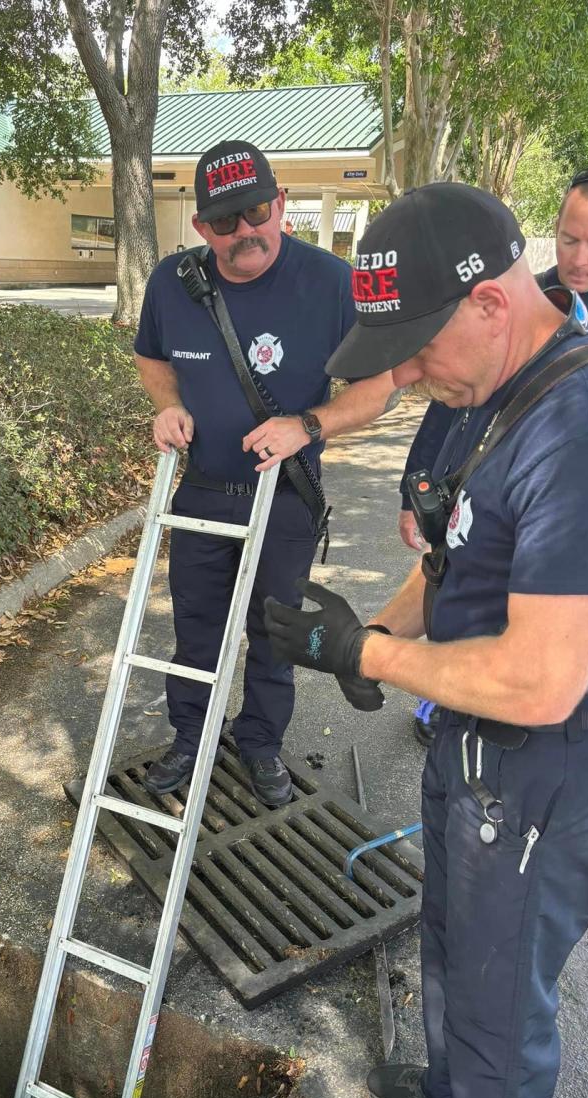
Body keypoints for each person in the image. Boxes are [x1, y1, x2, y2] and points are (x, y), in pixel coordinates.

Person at [265, 183, 588, 1098]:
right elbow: (459, 547)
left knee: (498, 995)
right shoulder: (499, 387)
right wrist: (367, 627)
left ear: (488, 300)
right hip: (478, 747)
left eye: (415, 344)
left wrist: (370, 658)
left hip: (553, 759)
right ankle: (447, 1085)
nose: (408, 373)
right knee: (447, 924)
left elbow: (541, 679)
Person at [133, 139, 397, 805]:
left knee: (274, 631)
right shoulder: (173, 282)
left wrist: (306, 426)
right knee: (196, 627)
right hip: (201, 490)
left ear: (281, 203)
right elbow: (153, 360)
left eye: (256, 212)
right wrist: (168, 408)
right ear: (202, 228)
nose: (244, 232)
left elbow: (377, 388)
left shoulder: (333, 283)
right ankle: (191, 741)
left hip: (287, 498)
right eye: (225, 222)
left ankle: (260, 745)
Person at [400, 165, 588, 747]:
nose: (579, 257)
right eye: (569, 238)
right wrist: (417, 490)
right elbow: (452, 406)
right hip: (500, 497)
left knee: (551, 656)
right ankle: (451, 691)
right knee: (469, 570)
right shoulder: (529, 300)